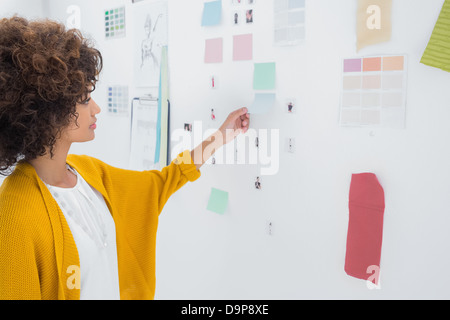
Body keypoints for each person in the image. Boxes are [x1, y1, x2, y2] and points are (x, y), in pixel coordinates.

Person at [0, 16, 250, 300]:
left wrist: (221, 136)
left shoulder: (88, 174)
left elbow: (162, 182)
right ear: (49, 110)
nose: (96, 108)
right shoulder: (13, 214)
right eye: (84, 100)